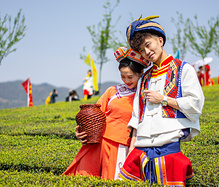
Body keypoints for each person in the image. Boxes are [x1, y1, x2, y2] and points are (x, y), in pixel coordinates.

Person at [119, 15, 205, 186]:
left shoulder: (183, 69)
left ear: (160, 40)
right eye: (142, 50)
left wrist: (164, 99)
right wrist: (132, 146)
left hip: (168, 149)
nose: (147, 52)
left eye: (148, 45)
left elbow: (196, 103)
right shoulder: (144, 78)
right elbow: (137, 115)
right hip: (141, 150)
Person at [62, 47, 150, 180]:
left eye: (130, 77)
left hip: (121, 145)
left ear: (141, 73)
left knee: (113, 180)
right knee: (84, 179)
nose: (126, 80)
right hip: (97, 143)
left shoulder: (145, 95)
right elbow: (93, 114)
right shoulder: (112, 91)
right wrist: (80, 130)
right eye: (122, 76)